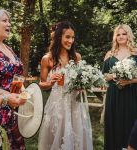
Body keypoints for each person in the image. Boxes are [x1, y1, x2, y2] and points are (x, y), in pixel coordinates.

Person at [38, 21, 93, 150]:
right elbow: (42, 84)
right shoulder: (48, 58)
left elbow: (81, 79)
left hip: (75, 104)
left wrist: (83, 84)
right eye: (67, 37)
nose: (71, 40)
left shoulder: (77, 57)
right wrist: (50, 82)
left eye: (73, 37)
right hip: (58, 105)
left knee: (76, 137)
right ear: (58, 37)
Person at [0, 9, 26, 150]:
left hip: (16, 108)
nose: (9, 24)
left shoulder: (9, 48)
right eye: (5, 20)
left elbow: (16, 75)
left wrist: (23, 90)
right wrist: (6, 96)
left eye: (9, 21)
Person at [102, 24, 137, 150]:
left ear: (129, 35)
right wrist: (112, 76)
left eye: (124, 34)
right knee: (114, 124)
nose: (121, 36)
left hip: (131, 94)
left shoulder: (135, 52)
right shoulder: (109, 54)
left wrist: (130, 81)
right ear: (115, 37)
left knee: (131, 122)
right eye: (118, 34)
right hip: (114, 95)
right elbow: (103, 77)